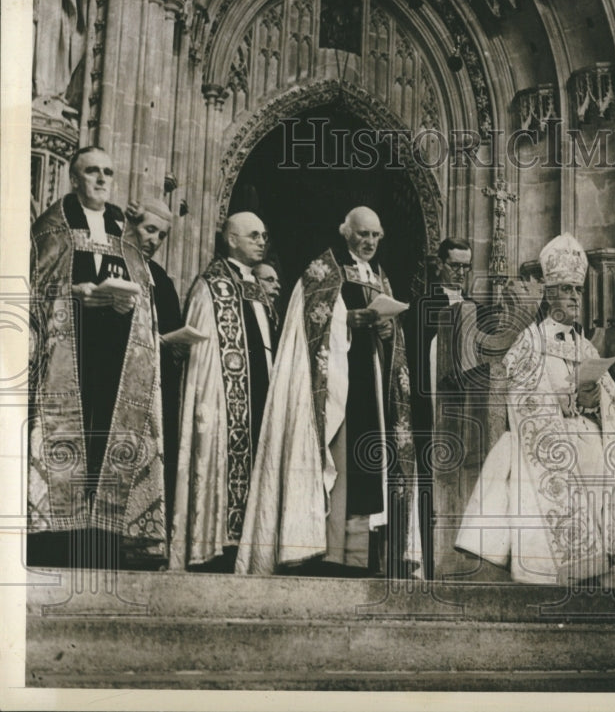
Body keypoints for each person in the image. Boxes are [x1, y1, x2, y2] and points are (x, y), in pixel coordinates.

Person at [455, 234, 615, 589]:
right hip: (549, 436)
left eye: (577, 290)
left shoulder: (585, 345)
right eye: (566, 289)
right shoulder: (530, 342)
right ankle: (582, 566)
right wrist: (564, 404)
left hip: (590, 432)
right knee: (572, 456)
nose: (573, 297)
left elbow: (609, 407)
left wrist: (590, 400)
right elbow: (523, 402)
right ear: (550, 293)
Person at [236, 206, 417, 577]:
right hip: (337, 385)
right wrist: (347, 321)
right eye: (363, 234)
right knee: (341, 462)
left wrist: (387, 332)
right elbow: (310, 322)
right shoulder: (323, 271)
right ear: (346, 233)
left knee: (370, 464)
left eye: (376, 236)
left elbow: (393, 333)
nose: (369, 242)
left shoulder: (380, 277)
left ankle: (362, 557)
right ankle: (331, 552)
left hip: (373, 381)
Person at [28, 146, 167, 568]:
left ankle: (106, 539)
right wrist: (76, 293)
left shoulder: (124, 234)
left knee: (108, 443)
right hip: (68, 357)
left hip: (116, 360)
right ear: (74, 179)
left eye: (108, 171)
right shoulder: (51, 227)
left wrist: (130, 307)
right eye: (92, 171)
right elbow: (35, 289)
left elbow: (144, 296)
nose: (102, 179)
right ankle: (54, 540)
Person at [408, 238, 540, 579]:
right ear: (438, 264)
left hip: (470, 410)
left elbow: (486, 356)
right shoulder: (420, 305)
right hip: (433, 404)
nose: (461, 273)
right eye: (455, 265)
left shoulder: (478, 309)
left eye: (467, 267)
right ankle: (425, 559)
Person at [171, 211, 278, 571]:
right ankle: (216, 549)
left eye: (264, 235)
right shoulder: (211, 286)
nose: (262, 241)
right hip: (224, 404)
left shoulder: (258, 287)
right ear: (231, 239)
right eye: (253, 235)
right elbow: (202, 359)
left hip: (261, 395)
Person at [124, 198, 184, 537]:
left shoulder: (161, 278)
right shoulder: (114, 262)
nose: (154, 240)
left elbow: (172, 329)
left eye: (161, 235)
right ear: (133, 225)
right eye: (150, 230)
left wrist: (174, 343)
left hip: (155, 385)